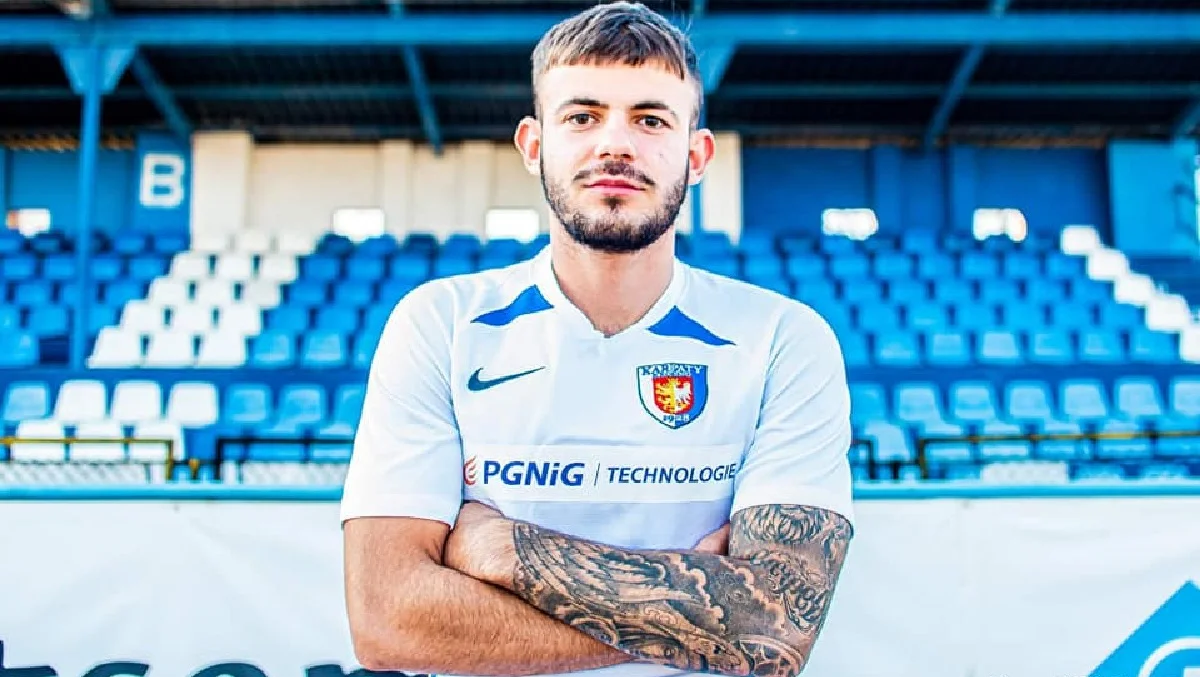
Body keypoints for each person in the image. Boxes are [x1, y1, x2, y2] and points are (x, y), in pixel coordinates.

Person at [339, 3, 855, 677]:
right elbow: (387, 620)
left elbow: (774, 630)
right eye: (582, 117)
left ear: (697, 155)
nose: (615, 145)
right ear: (534, 145)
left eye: (650, 120)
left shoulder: (783, 338)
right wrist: (701, 611)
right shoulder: (440, 323)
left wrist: (506, 549)